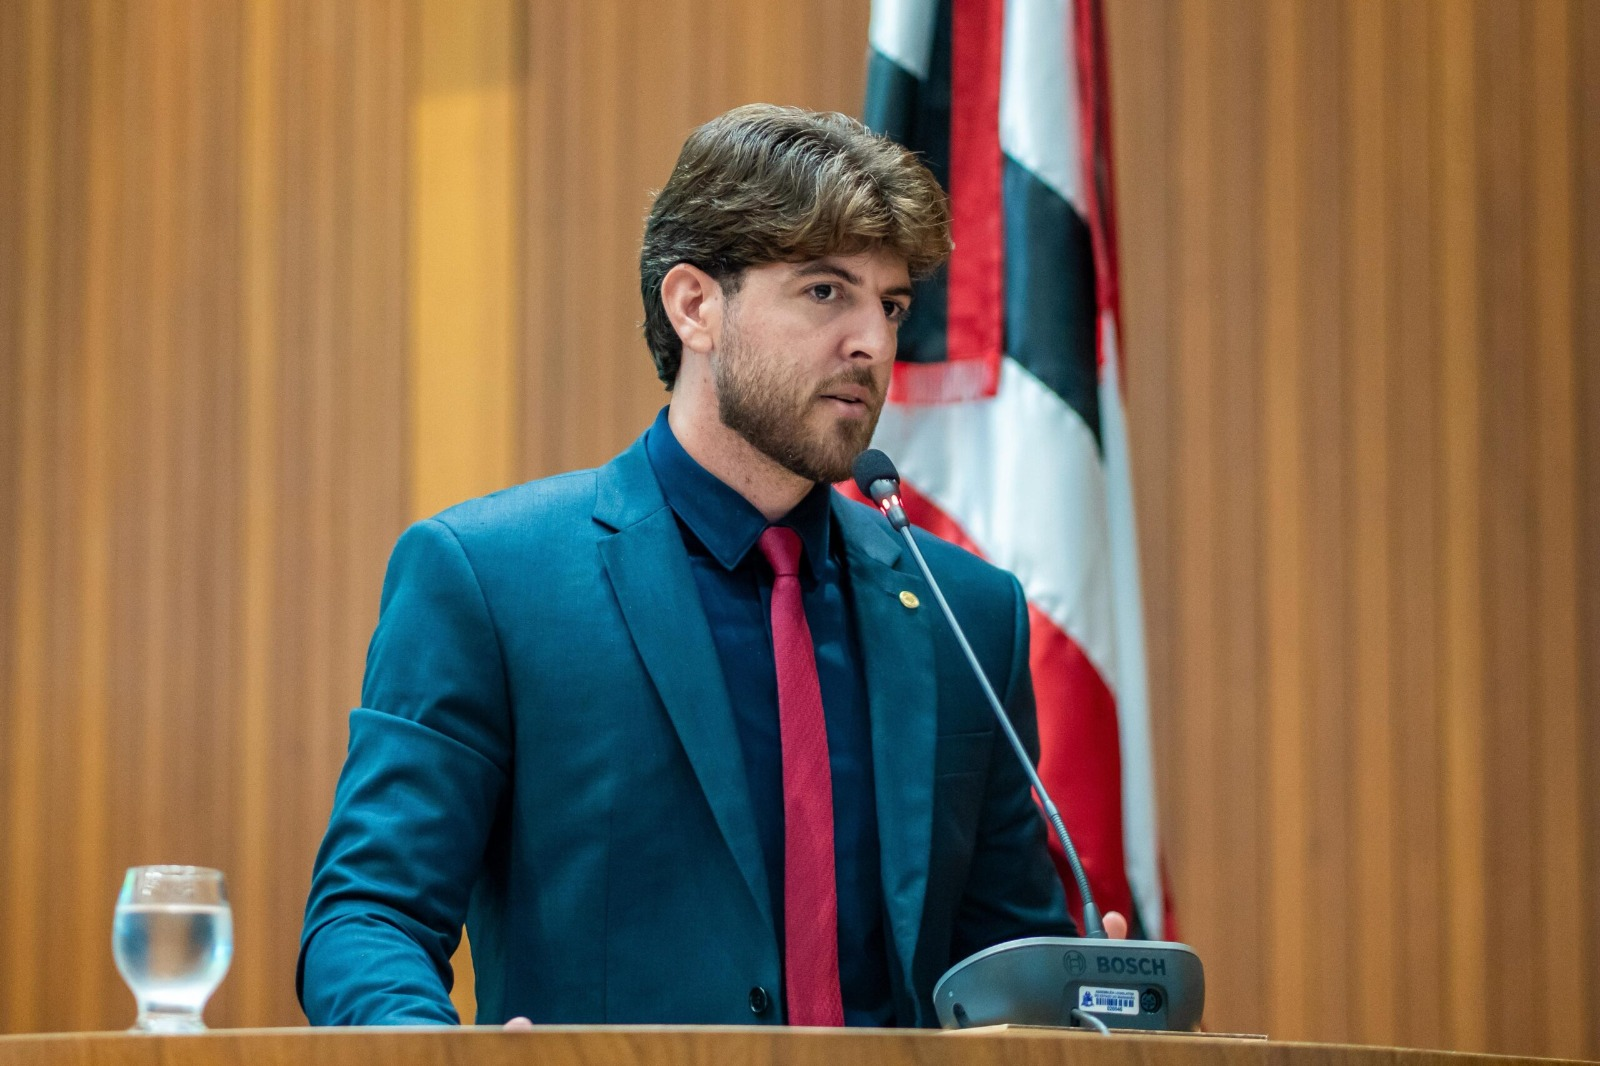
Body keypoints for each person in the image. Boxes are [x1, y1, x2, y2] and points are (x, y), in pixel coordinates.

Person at [299, 103, 1111, 1030]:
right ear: (694, 306)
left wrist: (1085, 1005)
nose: (873, 344)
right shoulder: (490, 583)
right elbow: (368, 917)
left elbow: (1002, 966)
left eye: (890, 305)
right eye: (825, 292)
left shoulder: (965, 612)